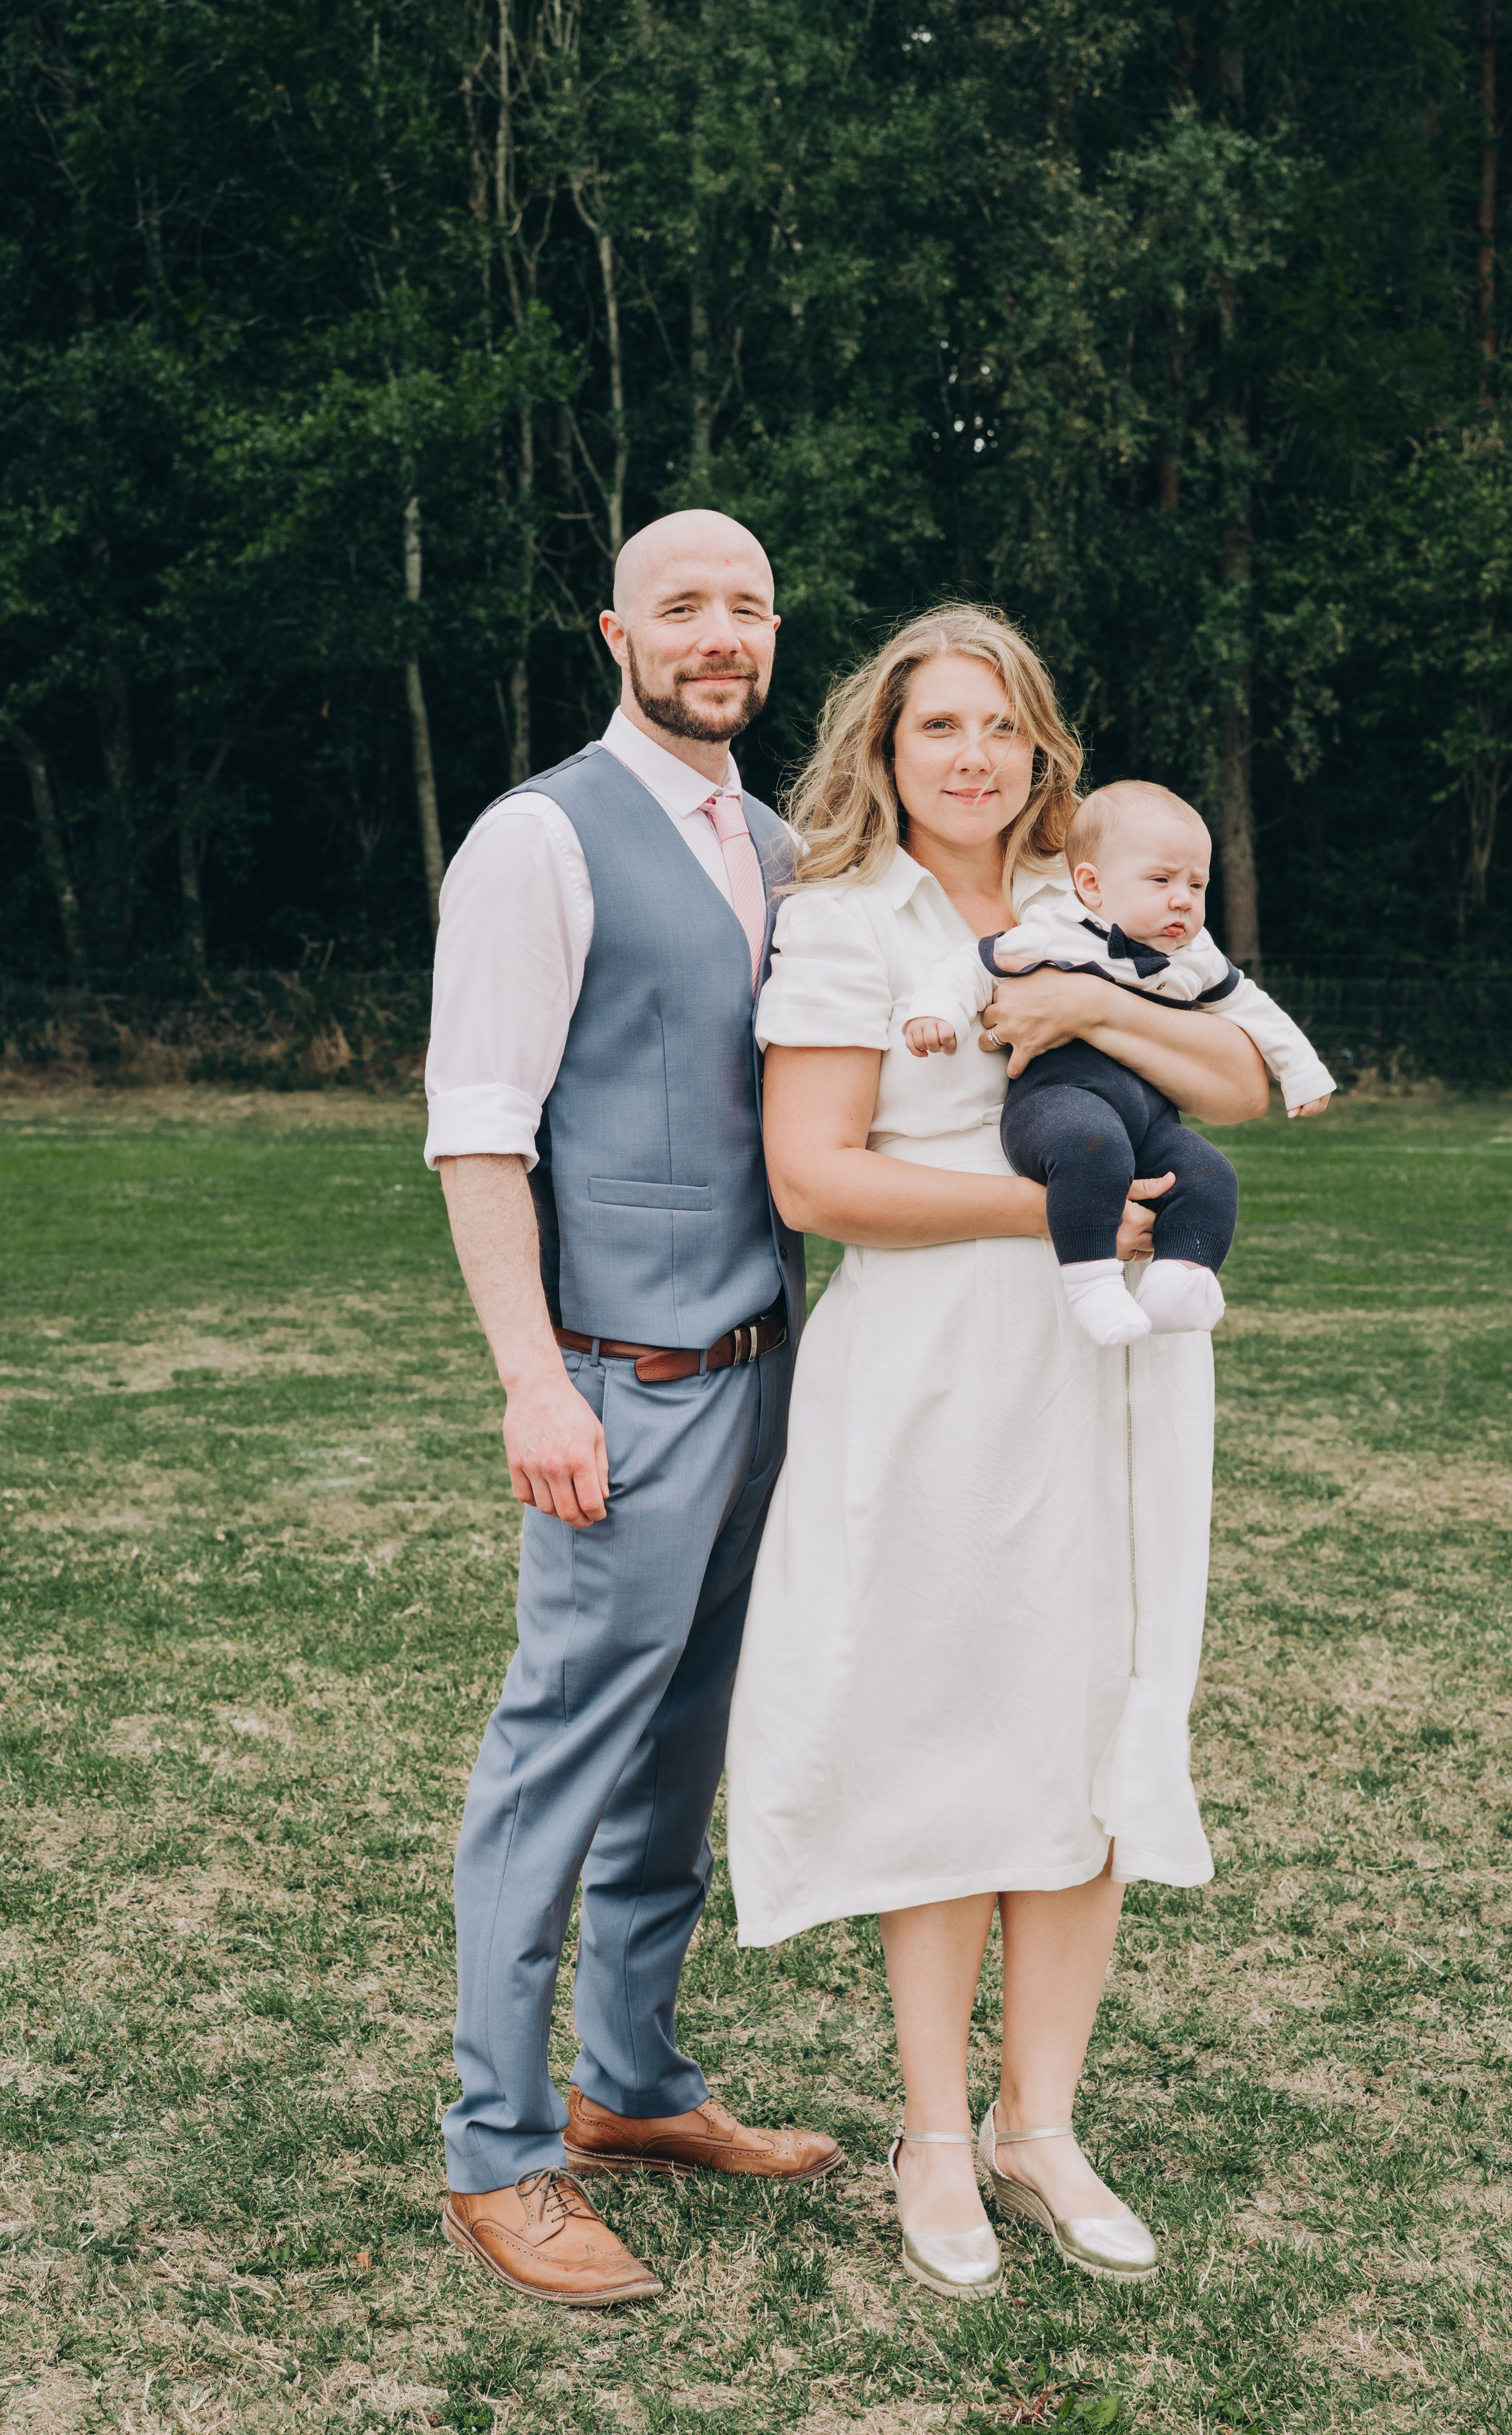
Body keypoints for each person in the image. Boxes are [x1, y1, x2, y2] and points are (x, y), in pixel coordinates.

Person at [724, 607, 1269, 2302]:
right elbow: (813, 1179)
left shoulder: (1084, 898)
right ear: (883, 752)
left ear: (1042, 750)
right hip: (933, 1376)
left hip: (1105, 1379)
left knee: (1092, 1725)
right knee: (946, 1732)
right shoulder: (835, 923)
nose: (967, 755)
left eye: (998, 727)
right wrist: (1061, 1211)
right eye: (933, 726)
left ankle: (1043, 2121)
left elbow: (1241, 1075)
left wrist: (1115, 1016)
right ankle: (936, 2134)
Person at [425, 509, 841, 2312]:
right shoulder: (538, 838)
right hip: (619, 1380)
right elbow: (478, 1128)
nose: (719, 634)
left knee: (684, 1751)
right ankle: (500, 2151)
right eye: (684, 605)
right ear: (618, 631)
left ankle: (637, 2088)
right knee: (560, 1757)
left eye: (746, 607)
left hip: (767, 1380)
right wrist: (536, 1380)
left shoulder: (779, 841)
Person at [901, 776, 1334, 1346]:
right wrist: (937, 1012)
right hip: (1056, 1103)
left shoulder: (1194, 956)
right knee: (1093, 1146)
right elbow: (974, 965)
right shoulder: (1058, 929)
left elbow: (1252, 1008)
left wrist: (1301, 1070)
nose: (1183, 898)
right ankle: (1091, 1282)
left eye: (1197, 884)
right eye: (1161, 881)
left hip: (1151, 1122)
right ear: (1092, 885)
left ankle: (1179, 1280)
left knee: (1211, 1175)